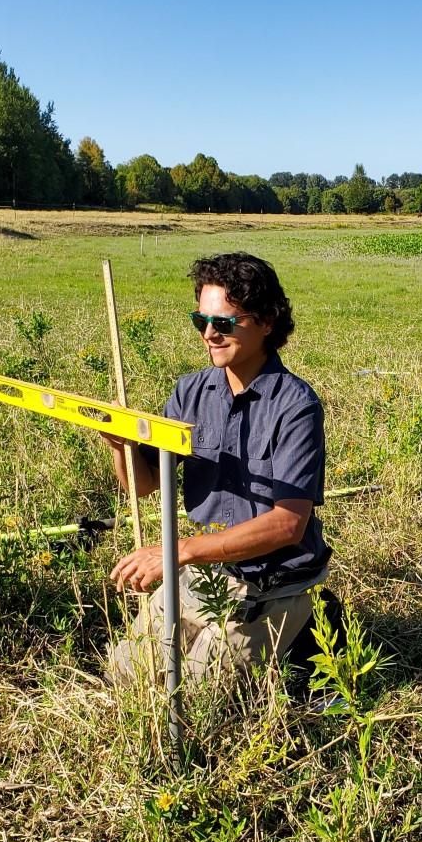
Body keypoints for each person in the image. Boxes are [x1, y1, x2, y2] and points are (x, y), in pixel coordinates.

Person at [102, 252, 334, 686]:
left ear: (266, 322)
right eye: (200, 321)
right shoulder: (190, 392)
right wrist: (124, 446)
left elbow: (287, 524)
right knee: (129, 673)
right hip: (204, 572)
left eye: (224, 323)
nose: (209, 334)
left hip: (269, 582)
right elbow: (145, 484)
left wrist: (179, 550)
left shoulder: (296, 405)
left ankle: (309, 626)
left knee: (195, 689)